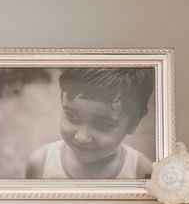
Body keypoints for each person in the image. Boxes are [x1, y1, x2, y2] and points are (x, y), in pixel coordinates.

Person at [25, 67, 154, 180]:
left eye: (103, 125)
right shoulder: (40, 165)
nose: (82, 138)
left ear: (133, 124)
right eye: (73, 117)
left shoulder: (142, 172)